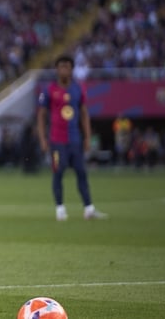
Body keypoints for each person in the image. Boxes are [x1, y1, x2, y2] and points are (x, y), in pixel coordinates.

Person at [37, 55, 107, 221]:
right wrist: (42, 139)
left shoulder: (78, 89)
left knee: (81, 172)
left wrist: (88, 137)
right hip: (56, 140)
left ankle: (89, 209)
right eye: (61, 66)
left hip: (75, 140)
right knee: (58, 172)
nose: (64, 70)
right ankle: (60, 209)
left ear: (71, 69)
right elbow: (41, 116)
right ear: (57, 69)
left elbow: (84, 114)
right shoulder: (49, 90)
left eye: (67, 67)